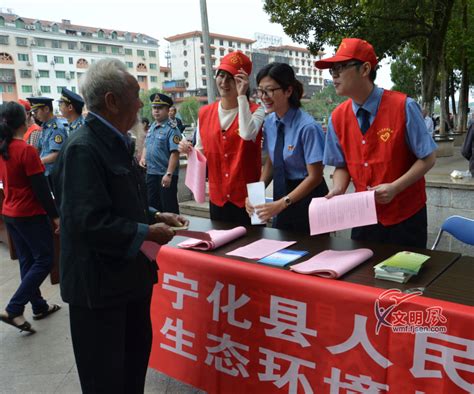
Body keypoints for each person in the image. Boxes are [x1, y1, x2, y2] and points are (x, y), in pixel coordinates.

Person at [51, 58, 188, 393]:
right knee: (107, 381)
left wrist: (155, 215)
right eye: (135, 95)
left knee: (131, 372)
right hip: (99, 291)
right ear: (112, 101)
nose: (142, 104)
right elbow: (86, 221)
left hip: (127, 282)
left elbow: (121, 202)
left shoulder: (114, 141)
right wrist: (146, 232)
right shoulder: (84, 148)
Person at [316, 38, 437, 248]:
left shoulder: (403, 106)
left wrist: (395, 188)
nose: (334, 74)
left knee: (403, 277)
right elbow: (341, 165)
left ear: (364, 69)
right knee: (362, 275)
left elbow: (428, 158)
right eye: (332, 70)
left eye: (341, 67)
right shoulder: (337, 117)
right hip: (364, 216)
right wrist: (338, 188)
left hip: (405, 216)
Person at [179, 51, 265, 224]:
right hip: (218, 197)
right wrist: (188, 150)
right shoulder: (204, 113)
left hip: (248, 199)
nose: (224, 83)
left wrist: (242, 96)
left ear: (242, 82)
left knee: (251, 248)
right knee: (220, 247)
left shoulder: (257, 110)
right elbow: (201, 152)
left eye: (232, 78)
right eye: (221, 75)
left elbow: (248, 134)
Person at [0, 101, 61, 334]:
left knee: (27, 260)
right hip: (30, 213)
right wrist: (55, 217)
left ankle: (39, 305)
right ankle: (14, 308)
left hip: (11, 213)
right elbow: (41, 189)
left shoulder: (3, 149)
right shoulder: (25, 150)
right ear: (24, 119)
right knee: (44, 259)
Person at [245, 63, 328, 233]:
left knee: (311, 252)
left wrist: (282, 203)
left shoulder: (308, 127)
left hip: (308, 196)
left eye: (269, 90)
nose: (263, 96)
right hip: (282, 193)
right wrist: (256, 194)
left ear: (288, 91)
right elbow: (271, 161)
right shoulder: (269, 122)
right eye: (260, 90)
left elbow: (315, 177)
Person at [139, 93, 182, 214]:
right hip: (151, 173)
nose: (156, 111)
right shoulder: (152, 126)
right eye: (154, 108)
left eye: (160, 108)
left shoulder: (172, 129)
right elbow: (146, 145)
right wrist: (143, 158)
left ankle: (174, 231)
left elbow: (175, 153)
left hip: (165, 175)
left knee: (168, 206)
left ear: (168, 110)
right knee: (153, 207)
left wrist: (168, 174)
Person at [27, 97, 68, 178]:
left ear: (46, 109)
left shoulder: (56, 128)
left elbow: (58, 154)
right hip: (46, 172)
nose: (35, 115)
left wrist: (39, 161)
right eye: (33, 113)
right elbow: (39, 148)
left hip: (55, 173)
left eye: (36, 112)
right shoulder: (45, 126)